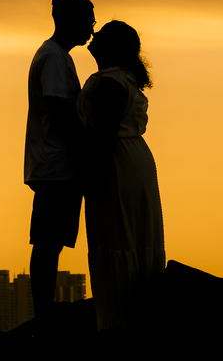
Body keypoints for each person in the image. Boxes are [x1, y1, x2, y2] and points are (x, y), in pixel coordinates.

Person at [76, 20, 166, 331]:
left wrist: (90, 176)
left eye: (100, 34)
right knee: (130, 236)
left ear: (111, 47)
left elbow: (104, 135)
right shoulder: (122, 79)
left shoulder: (110, 82)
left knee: (117, 235)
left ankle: (119, 320)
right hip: (132, 158)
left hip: (117, 162)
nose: (94, 34)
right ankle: (132, 316)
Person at [25, 0, 95, 327]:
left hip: (57, 165)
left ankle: (45, 313)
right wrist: (84, 145)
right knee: (47, 243)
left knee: (50, 242)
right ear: (68, 20)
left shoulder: (57, 56)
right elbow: (58, 106)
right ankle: (44, 316)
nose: (92, 28)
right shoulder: (54, 57)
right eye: (87, 20)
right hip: (56, 166)